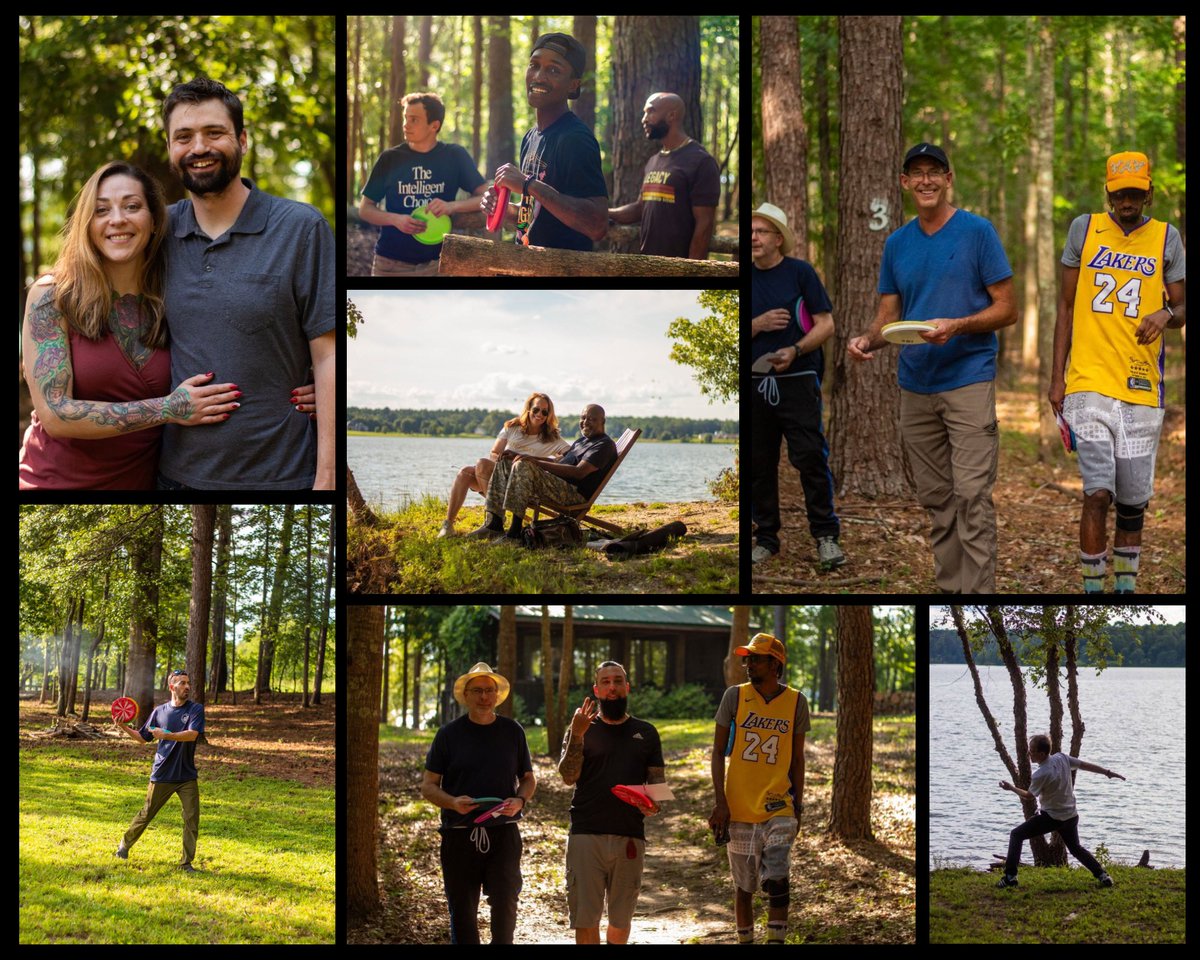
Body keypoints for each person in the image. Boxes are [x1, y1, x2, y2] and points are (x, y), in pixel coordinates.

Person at [849, 142, 1016, 593]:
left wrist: (958, 325)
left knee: (971, 496)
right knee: (939, 501)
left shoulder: (977, 232)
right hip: (915, 386)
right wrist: (867, 339)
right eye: (916, 173)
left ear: (948, 178)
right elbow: (888, 315)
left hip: (968, 379)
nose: (925, 180)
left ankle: (978, 598)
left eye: (934, 172)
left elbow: (1007, 308)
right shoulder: (897, 243)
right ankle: (949, 593)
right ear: (904, 183)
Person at [18, 162, 247, 489]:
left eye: (132, 206)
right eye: (101, 210)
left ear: (153, 221)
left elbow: (238, 344)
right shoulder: (52, 295)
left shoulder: (172, 298)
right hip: (52, 485)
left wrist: (306, 383)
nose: (117, 219)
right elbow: (56, 415)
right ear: (87, 223)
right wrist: (169, 408)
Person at [158, 76, 335, 490]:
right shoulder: (157, 232)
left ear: (242, 139)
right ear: (170, 147)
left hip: (283, 476)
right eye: (183, 136)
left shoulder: (300, 228)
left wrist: (326, 477)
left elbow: (328, 355)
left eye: (214, 133)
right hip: (174, 476)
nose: (199, 147)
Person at [1050, 151, 1186, 593]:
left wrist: (1166, 315)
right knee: (1098, 492)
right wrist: (1058, 379)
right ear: (1108, 191)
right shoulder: (1084, 229)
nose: (1127, 201)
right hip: (1088, 381)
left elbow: (1182, 305)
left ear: (1148, 192)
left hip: (1142, 386)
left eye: (1135, 192)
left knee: (1132, 502)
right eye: (1119, 192)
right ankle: (1092, 592)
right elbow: (1066, 306)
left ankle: (1123, 593)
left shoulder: (1167, 237)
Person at [750, 202, 844, 570]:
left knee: (809, 458)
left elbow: (827, 325)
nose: (753, 237)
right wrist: (756, 324)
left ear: (778, 239)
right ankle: (766, 539)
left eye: (761, 231)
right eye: (750, 231)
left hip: (799, 380)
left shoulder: (800, 272)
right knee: (760, 465)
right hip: (756, 385)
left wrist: (794, 348)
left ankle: (826, 537)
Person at [421, 663, 536, 945]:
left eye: (489, 690)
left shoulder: (513, 731)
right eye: (478, 691)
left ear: (497, 695)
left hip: (504, 832)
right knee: (462, 913)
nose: (484, 696)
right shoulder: (448, 734)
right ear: (466, 695)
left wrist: (520, 800)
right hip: (459, 834)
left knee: (506, 905)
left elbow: (529, 779)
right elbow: (428, 786)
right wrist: (451, 802)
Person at [708, 633, 809, 945]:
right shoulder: (734, 697)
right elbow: (716, 752)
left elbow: (797, 757)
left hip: (779, 805)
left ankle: (776, 940)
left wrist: (799, 805)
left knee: (777, 879)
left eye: (756, 658)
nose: (748, 664)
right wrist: (720, 803)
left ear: (775, 663)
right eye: (747, 658)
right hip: (738, 807)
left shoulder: (796, 702)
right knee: (744, 886)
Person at [558, 661, 665, 945]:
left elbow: (656, 791)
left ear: (627, 687)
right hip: (585, 833)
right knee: (585, 917)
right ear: (596, 690)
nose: (612, 687)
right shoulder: (581, 728)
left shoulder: (647, 732)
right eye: (605, 682)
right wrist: (577, 735)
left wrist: (651, 805)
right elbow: (568, 776)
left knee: (621, 920)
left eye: (618, 681)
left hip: (629, 835)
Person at [480, 33, 608, 251]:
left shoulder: (576, 139)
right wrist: (504, 209)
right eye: (534, 65)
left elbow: (596, 225)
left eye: (553, 70)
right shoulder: (530, 137)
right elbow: (535, 214)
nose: (538, 76)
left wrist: (528, 184)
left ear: (573, 85)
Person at [359, 91, 488, 277]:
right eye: (405, 118)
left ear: (434, 125)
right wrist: (396, 220)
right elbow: (365, 209)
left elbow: (487, 196)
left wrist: (452, 206)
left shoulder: (454, 156)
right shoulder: (390, 159)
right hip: (390, 265)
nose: (405, 125)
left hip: (438, 263)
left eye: (414, 120)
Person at [468, 403, 617, 543]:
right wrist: (525, 457)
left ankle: (514, 533)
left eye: (592, 419)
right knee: (505, 461)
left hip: (573, 494)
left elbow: (579, 472)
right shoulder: (581, 442)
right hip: (557, 485)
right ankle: (494, 525)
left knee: (523, 466)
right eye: (583, 418)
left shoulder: (604, 445)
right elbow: (558, 462)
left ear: (602, 421)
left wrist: (533, 463)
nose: (585, 422)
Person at [996, 734, 1123, 889]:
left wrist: (1011, 788)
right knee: (1076, 848)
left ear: (1042, 754)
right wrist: (1107, 772)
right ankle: (1103, 875)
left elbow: (1029, 796)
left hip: (1051, 818)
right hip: (1070, 816)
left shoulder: (1041, 774)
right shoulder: (1061, 758)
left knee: (1016, 835)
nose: (1029, 753)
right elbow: (1083, 765)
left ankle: (1010, 878)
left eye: (1032, 751)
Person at [439, 392, 570, 538]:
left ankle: (494, 522)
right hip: (500, 476)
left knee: (481, 464)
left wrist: (536, 459)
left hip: (523, 484)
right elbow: (494, 453)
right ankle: (448, 525)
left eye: (545, 412)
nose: (539, 414)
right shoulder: (512, 427)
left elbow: (571, 456)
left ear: (549, 415)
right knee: (465, 472)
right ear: (528, 409)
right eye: (536, 409)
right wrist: (505, 461)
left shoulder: (551, 437)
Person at [608, 92, 720, 259]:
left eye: (651, 111)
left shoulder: (701, 161)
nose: (644, 119)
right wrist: (606, 213)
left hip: (679, 268)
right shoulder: (654, 161)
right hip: (649, 264)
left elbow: (704, 224)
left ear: (671, 115)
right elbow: (640, 208)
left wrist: (690, 271)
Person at [113, 670, 205, 871]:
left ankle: (186, 862)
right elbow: (142, 738)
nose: (187, 687)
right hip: (162, 773)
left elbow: (192, 735)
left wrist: (166, 735)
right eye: (182, 683)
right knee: (146, 813)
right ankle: (124, 845)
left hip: (186, 775)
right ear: (172, 687)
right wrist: (123, 727)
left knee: (191, 818)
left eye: (188, 683)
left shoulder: (195, 710)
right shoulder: (159, 712)